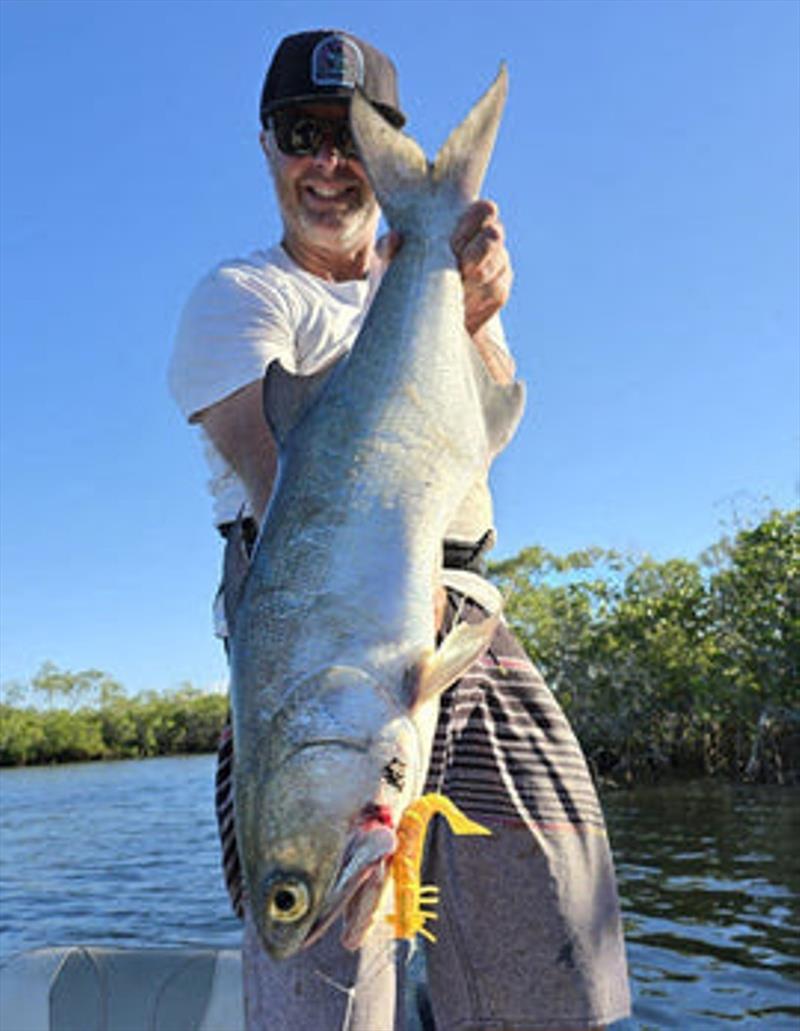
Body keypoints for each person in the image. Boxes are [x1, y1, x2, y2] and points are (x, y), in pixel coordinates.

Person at [170, 29, 631, 1031]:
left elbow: (490, 426)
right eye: (304, 134)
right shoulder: (240, 297)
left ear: (384, 148)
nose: (330, 164)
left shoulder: (435, 275)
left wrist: (464, 304)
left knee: (555, 941)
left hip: (462, 618)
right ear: (266, 147)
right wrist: (431, 281)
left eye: (353, 136)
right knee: (316, 964)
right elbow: (280, 477)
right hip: (317, 643)